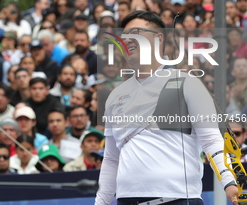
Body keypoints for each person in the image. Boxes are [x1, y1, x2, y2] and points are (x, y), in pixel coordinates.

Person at [95, 11, 238, 205]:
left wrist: (229, 182)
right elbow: (112, 159)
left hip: (178, 198)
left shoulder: (188, 83)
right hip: (126, 200)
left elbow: (211, 139)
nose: (127, 40)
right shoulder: (114, 96)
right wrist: (101, 202)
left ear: (158, 38)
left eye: (135, 33)